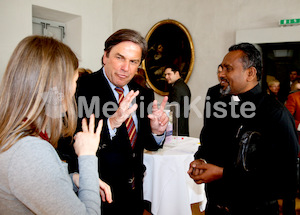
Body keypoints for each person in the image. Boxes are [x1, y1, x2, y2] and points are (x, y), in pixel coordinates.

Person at [0, 35, 112, 214]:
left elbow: (32, 184)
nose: (75, 89)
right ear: (57, 85)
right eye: (75, 81)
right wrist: (87, 156)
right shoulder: (30, 151)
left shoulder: (18, 136)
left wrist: (73, 179)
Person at [188, 43, 299, 215]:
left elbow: (284, 178)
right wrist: (201, 159)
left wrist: (224, 174)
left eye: (228, 69)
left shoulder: (275, 114)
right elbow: (208, 140)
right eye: (221, 68)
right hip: (214, 208)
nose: (221, 74)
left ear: (250, 73)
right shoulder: (218, 101)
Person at [75, 29, 169, 215]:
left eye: (133, 61)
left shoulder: (143, 93)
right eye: (120, 58)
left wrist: (157, 132)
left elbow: (147, 144)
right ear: (105, 57)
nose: (126, 67)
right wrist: (111, 123)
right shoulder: (81, 88)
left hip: (134, 194)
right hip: (98, 194)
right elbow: (71, 142)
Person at [164, 64, 191, 136]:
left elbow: (174, 111)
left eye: (169, 74)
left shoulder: (176, 88)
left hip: (177, 129)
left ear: (177, 73)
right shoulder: (183, 85)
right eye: (165, 75)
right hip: (183, 127)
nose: (166, 77)